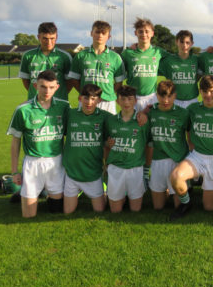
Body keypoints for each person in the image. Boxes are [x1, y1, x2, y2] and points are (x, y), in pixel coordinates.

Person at [7, 70, 69, 218]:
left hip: (56, 162)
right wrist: (15, 171)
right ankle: (27, 193)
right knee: (29, 215)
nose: (47, 91)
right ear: (35, 86)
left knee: (56, 210)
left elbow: (71, 135)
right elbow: (15, 143)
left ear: (57, 87)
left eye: (51, 87)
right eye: (43, 86)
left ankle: (42, 192)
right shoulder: (23, 110)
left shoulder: (64, 107)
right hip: (33, 163)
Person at [169, 75, 213, 218]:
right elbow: (176, 118)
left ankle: (196, 187)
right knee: (176, 176)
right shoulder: (192, 109)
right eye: (204, 91)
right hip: (197, 156)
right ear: (200, 91)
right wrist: (149, 110)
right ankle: (186, 202)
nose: (208, 95)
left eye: (211, 91)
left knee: (208, 207)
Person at [62, 83, 110, 214]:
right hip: (72, 173)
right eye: (86, 98)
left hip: (93, 173)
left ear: (99, 100)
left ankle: (103, 191)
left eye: (93, 99)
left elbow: (122, 122)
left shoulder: (105, 117)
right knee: (68, 212)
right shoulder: (70, 114)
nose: (89, 102)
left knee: (99, 210)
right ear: (79, 98)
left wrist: (142, 115)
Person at [105, 85, 151, 213]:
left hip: (135, 168)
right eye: (123, 99)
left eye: (130, 99)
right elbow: (107, 144)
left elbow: (149, 145)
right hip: (116, 167)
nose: (126, 103)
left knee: (135, 210)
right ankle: (119, 196)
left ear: (135, 101)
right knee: (115, 211)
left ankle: (126, 195)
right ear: (117, 101)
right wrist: (107, 162)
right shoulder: (111, 121)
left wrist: (146, 169)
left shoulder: (142, 121)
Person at [147, 80, 190, 210]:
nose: (166, 100)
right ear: (157, 95)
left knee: (178, 206)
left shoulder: (183, 114)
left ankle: (181, 189)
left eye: (169, 96)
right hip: (158, 160)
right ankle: (166, 190)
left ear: (175, 96)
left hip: (177, 160)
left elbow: (190, 136)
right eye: (162, 96)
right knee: (158, 207)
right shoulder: (150, 112)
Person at [68, 20, 126, 114]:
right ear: (91, 33)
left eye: (103, 33)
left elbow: (119, 81)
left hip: (107, 101)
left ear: (109, 36)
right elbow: (74, 80)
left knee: (108, 128)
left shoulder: (115, 57)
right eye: (97, 32)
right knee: (86, 127)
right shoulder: (81, 55)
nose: (100, 35)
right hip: (87, 101)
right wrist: (86, 94)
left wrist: (109, 93)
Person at [120, 18, 168, 111]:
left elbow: (175, 58)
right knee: (131, 124)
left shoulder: (158, 51)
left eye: (147, 31)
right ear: (135, 33)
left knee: (151, 124)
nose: (144, 34)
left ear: (152, 33)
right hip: (132, 97)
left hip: (152, 97)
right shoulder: (128, 53)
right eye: (140, 31)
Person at [18, 22, 72, 101]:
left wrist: (59, 94)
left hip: (58, 102)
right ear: (38, 37)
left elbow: (70, 82)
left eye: (52, 38)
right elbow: (26, 81)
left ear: (56, 37)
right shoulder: (28, 56)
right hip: (34, 102)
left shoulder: (65, 56)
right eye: (45, 38)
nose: (49, 42)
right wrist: (37, 93)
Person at [158, 30, 200, 109]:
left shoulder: (197, 60)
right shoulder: (168, 60)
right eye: (182, 42)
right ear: (176, 42)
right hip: (174, 101)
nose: (184, 45)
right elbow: (152, 69)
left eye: (187, 42)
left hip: (193, 101)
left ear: (192, 43)